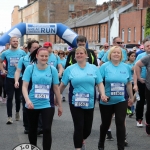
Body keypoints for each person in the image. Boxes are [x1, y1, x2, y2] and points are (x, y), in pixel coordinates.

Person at [59, 46, 107, 150]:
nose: (79, 55)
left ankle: (81, 139)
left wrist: (102, 94)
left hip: (89, 101)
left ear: (86, 55)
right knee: (78, 126)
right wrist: (57, 97)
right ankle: (78, 148)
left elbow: (100, 83)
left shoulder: (94, 68)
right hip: (75, 101)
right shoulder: (70, 69)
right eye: (77, 54)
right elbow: (63, 85)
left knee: (88, 129)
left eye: (81, 53)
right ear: (75, 56)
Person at [22, 47, 62, 150]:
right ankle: (33, 147)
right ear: (37, 56)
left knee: (47, 129)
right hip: (32, 103)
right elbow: (24, 86)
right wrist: (27, 100)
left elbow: (56, 88)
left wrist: (60, 105)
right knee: (32, 129)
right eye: (42, 56)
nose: (44, 58)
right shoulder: (30, 68)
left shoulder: (52, 69)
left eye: (46, 56)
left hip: (47, 104)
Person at [98, 46, 133, 150]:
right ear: (110, 55)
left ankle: (120, 147)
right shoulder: (104, 67)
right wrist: (102, 95)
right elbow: (99, 83)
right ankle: (101, 143)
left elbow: (128, 83)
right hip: (107, 100)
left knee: (120, 122)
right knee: (105, 123)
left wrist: (131, 97)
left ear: (121, 55)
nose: (116, 54)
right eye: (114, 53)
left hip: (121, 100)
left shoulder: (126, 67)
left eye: (118, 53)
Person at [14, 40, 39, 134]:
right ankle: (27, 126)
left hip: (39, 84)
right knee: (27, 105)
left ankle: (39, 126)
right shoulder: (24, 59)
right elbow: (18, 71)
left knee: (39, 104)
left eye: (38, 47)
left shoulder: (41, 58)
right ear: (29, 49)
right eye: (34, 47)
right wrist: (16, 81)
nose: (37, 49)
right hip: (27, 84)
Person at [0, 37, 26, 124]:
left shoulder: (22, 53)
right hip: (9, 78)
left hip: (20, 78)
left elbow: (26, 64)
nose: (15, 42)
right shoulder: (5, 53)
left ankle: (17, 112)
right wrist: (3, 70)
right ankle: (9, 117)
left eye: (16, 41)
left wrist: (20, 67)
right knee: (9, 97)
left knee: (18, 98)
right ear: (10, 42)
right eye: (13, 41)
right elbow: (0, 61)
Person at [134, 41, 150, 127]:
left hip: (148, 81)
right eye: (147, 46)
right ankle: (139, 119)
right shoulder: (141, 56)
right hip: (142, 81)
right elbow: (135, 69)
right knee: (141, 101)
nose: (149, 47)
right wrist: (136, 83)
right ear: (144, 47)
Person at [126, 51, 136, 117]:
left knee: (135, 96)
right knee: (129, 96)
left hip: (135, 82)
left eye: (134, 56)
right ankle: (129, 109)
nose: (133, 57)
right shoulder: (126, 64)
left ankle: (130, 106)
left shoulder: (136, 63)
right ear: (128, 57)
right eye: (132, 56)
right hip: (128, 82)